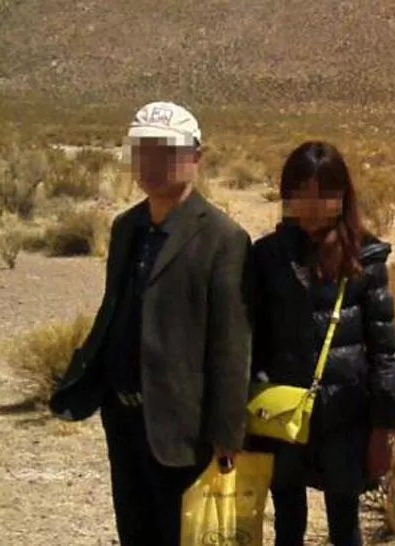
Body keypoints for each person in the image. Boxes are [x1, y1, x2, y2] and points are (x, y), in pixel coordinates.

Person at [48, 101, 254, 545]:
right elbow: (114, 310)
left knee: (182, 535)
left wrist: (226, 434)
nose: (151, 163)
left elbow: (230, 344)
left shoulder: (223, 238)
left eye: (166, 151)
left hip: (183, 428)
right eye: (142, 150)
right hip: (123, 419)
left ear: (195, 157)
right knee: (134, 532)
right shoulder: (126, 228)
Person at [246, 141, 395, 546]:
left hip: (345, 418)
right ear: (287, 195)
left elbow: (384, 350)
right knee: (287, 524)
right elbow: (251, 339)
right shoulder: (266, 257)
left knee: (345, 526)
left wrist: (383, 429)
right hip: (283, 415)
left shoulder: (365, 257)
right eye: (302, 195)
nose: (313, 206)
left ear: (342, 196)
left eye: (325, 195)